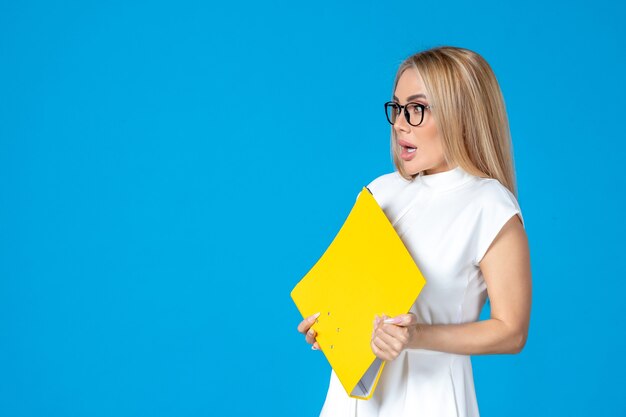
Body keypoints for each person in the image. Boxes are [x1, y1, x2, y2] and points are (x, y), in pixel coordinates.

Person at [296, 46, 532, 417]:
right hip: (351, 402)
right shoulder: (380, 191)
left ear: (462, 115)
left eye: (417, 109)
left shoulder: (489, 205)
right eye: (397, 108)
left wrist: (417, 337)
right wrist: (328, 328)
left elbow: (512, 330)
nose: (401, 123)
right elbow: (355, 294)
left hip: (430, 401)